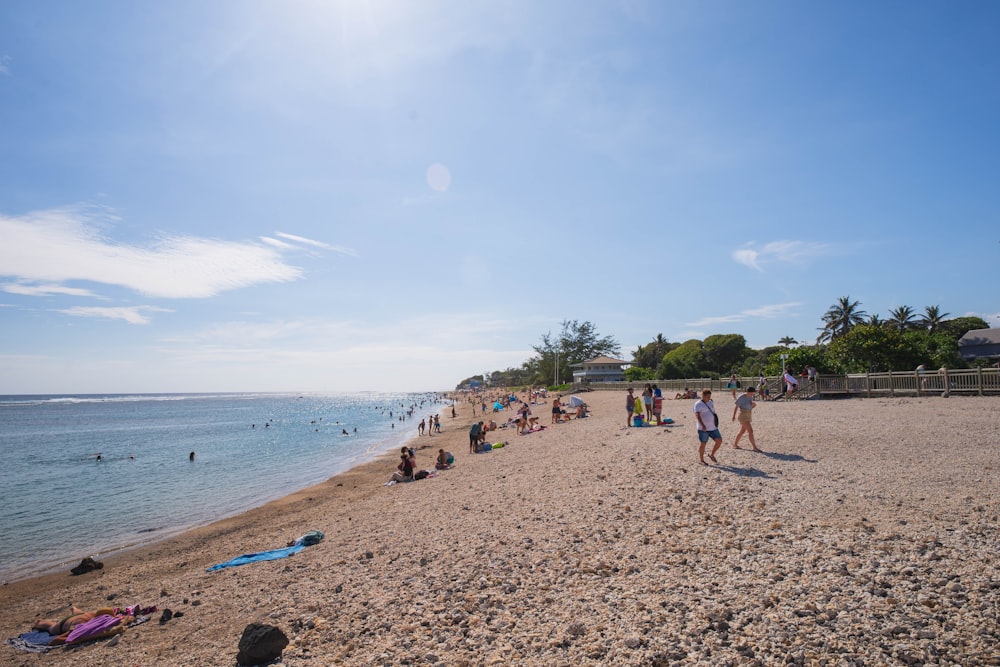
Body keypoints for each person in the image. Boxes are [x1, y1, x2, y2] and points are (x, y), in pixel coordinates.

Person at [693, 389, 723, 465]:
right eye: (707, 397)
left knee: (719, 440)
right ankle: (701, 460)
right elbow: (697, 415)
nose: (709, 398)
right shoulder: (698, 404)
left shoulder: (710, 402)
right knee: (703, 443)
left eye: (710, 396)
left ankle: (712, 454)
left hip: (713, 427)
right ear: (703, 396)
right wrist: (702, 425)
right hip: (703, 428)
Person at [731, 386, 761, 451]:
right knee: (750, 430)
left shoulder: (750, 396)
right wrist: (733, 416)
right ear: (748, 392)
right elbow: (736, 406)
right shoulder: (741, 397)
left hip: (748, 414)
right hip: (742, 415)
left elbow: (750, 405)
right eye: (752, 393)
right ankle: (754, 447)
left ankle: (735, 444)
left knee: (742, 431)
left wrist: (753, 405)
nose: (753, 394)